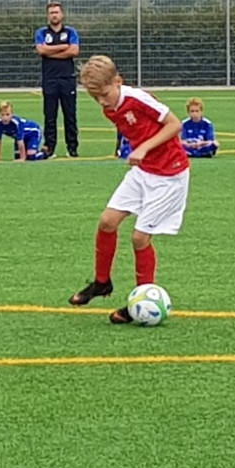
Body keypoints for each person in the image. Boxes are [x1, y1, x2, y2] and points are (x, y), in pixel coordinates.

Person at [68, 55, 190, 324]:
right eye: (95, 97)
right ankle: (102, 282)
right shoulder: (109, 107)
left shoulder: (137, 99)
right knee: (107, 222)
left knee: (139, 238)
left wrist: (144, 148)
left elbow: (175, 124)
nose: (101, 102)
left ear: (118, 81)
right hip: (144, 171)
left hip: (169, 175)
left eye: (104, 94)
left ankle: (142, 300)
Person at [34, 2, 80, 157]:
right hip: (50, 79)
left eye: (56, 12)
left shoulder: (70, 31)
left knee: (70, 115)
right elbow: (41, 49)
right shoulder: (41, 32)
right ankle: (49, 148)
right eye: (51, 13)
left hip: (67, 79)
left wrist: (51, 53)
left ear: (62, 14)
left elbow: (74, 50)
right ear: (48, 15)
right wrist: (63, 47)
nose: (54, 15)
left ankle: (72, 148)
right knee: (50, 116)